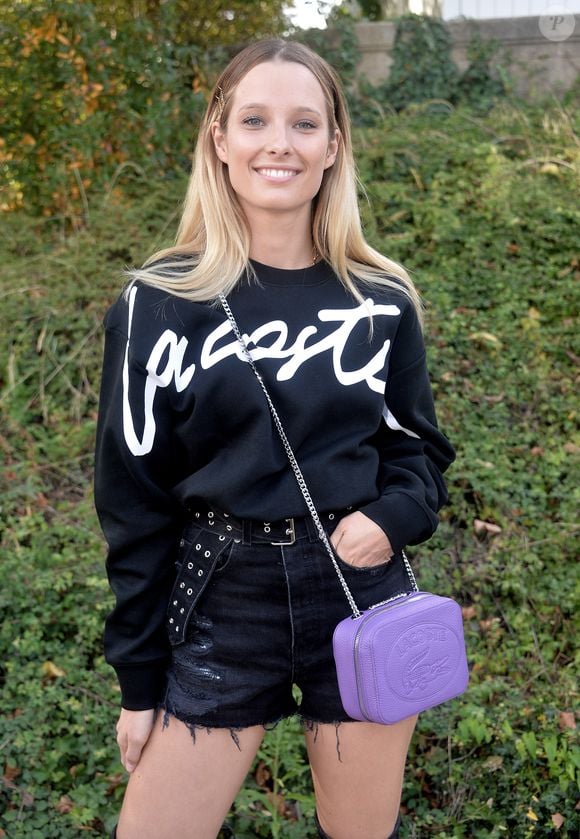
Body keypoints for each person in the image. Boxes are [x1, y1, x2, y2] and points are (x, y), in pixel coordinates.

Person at [94, 38, 455, 839]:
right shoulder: (156, 304)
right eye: (254, 119)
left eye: (304, 123)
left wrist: (391, 517)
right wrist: (139, 677)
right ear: (220, 140)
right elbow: (133, 502)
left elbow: (418, 452)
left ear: (334, 147)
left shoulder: (380, 299)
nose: (278, 143)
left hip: (359, 594)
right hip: (224, 592)